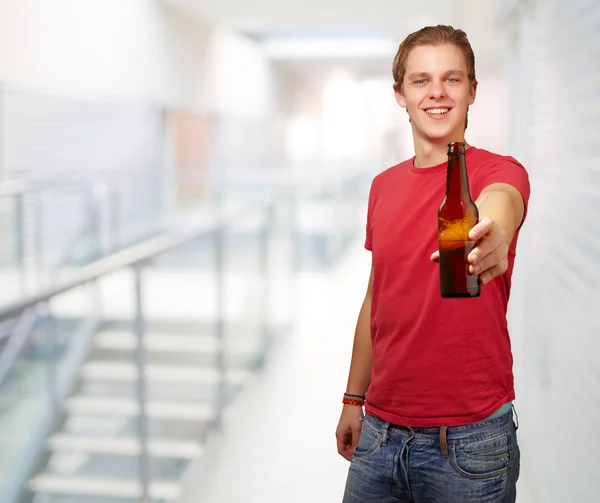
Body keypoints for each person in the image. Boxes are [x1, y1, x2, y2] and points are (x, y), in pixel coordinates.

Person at [336, 25, 531, 503]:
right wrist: (352, 399)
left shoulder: (496, 171)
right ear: (400, 94)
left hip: (468, 445)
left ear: (472, 91)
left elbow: (502, 202)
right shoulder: (382, 186)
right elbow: (375, 298)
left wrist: (493, 230)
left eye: (452, 79)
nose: (437, 93)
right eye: (421, 81)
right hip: (379, 434)